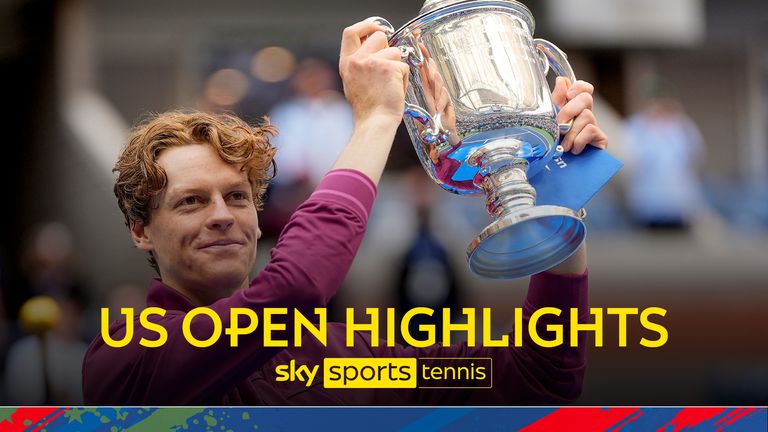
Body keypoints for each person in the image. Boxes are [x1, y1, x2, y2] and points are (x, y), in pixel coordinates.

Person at [82, 20, 608, 405]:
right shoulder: (126, 355)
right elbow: (294, 291)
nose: (222, 215)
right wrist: (378, 119)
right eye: (191, 201)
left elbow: (540, 381)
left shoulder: (339, 361)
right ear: (140, 231)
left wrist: (553, 193)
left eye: (237, 196)